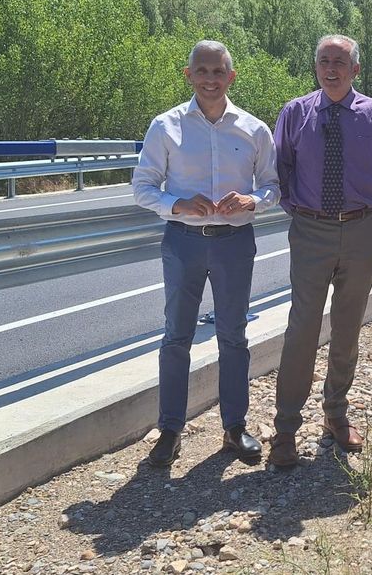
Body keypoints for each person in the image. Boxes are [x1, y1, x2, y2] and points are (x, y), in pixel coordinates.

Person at [133, 40, 280, 466]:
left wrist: (253, 201)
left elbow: (273, 186)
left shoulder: (254, 129)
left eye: (218, 72)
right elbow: (142, 186)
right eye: (202, 71)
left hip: (235, 243)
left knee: (233, 336)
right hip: (183, 242)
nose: (210, 79)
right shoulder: (166, 126)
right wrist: (177, 204)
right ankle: (170, 430)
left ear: (231, 77)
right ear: (188, 75)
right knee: (176, 336)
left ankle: (234, 427)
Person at [268, 34, 372, 468]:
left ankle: (336, 414)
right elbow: (280, 168)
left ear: (355, 70)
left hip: (362, 230)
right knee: (302, 328)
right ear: (316, 66)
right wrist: (299, 209)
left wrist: (362, 206)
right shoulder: (294, 113)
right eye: (324, 61)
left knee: (348, 326)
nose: (331, 68)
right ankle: (286, 428)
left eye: (340, 62)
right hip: (310, 230)